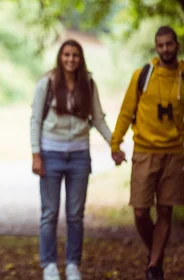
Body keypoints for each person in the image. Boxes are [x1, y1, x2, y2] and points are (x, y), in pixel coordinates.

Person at [110, 26, 184, 280]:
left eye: (169, 44)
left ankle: (153, 267)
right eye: (161, 45)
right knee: (140, 211)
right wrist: (115, 144)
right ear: (156, 47)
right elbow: (126, 111)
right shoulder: (142, 76)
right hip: (144, 152)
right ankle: (156, 253)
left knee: (165, 211)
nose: (165, 49)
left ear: (177, 45)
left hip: (174, 155)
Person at [29, 39, 114, 280]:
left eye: (75, 55)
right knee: (50, 213)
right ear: (60, 57)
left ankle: (73, 264)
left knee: (76, 214)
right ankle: (49, 265)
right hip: (50, 153)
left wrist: (114, 144)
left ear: (81, 58)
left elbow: (97, 119)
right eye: (66, 54)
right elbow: (35, 119)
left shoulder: (88, 83)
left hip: (79, 155)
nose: (70, 59)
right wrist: (36, 154)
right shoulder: (47, 82)